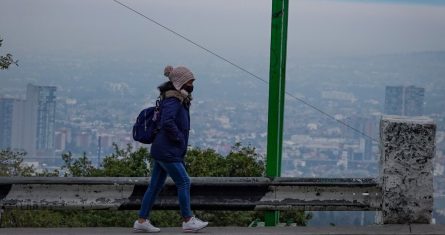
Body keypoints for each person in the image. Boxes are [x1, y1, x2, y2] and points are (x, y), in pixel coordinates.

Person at [133, 65, 208, 233]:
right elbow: (167, 122)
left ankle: (141, 220)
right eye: (190, 81)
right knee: (184, 181)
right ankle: (188, 220)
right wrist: (179, 138)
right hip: (168, 150)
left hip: (162, 149)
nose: (192, 84)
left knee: (155, 186)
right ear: (181, 82)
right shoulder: (174, 99)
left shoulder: (177, 98)